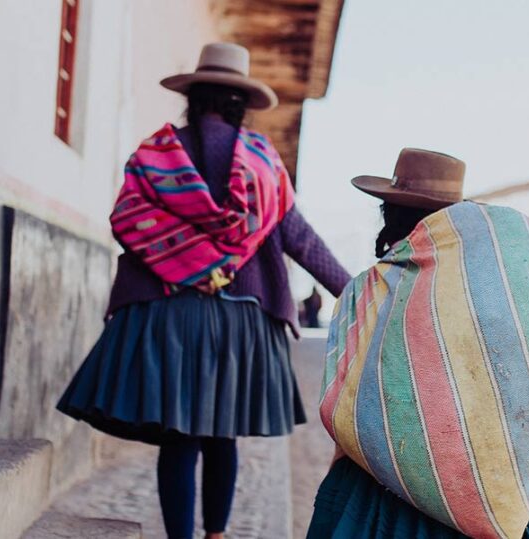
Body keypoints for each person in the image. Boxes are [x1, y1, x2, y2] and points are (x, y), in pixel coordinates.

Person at [56, 43, 351, 539]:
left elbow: (127, 220)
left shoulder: (156, 154)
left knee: (179, 438)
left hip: (169, 313)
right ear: (240, 103)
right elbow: (300, 238)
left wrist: (183, 257)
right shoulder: (263, 165)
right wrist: (356, 289)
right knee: (221, 436)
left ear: (193, 98)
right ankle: (216, 535)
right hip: (242, 322)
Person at [308, 149, 529, 538]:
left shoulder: (368, 291)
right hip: (486, 498)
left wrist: (336, 494)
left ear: (388, 215)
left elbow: (350, 413)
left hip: (372, 498)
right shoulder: (497, 297)